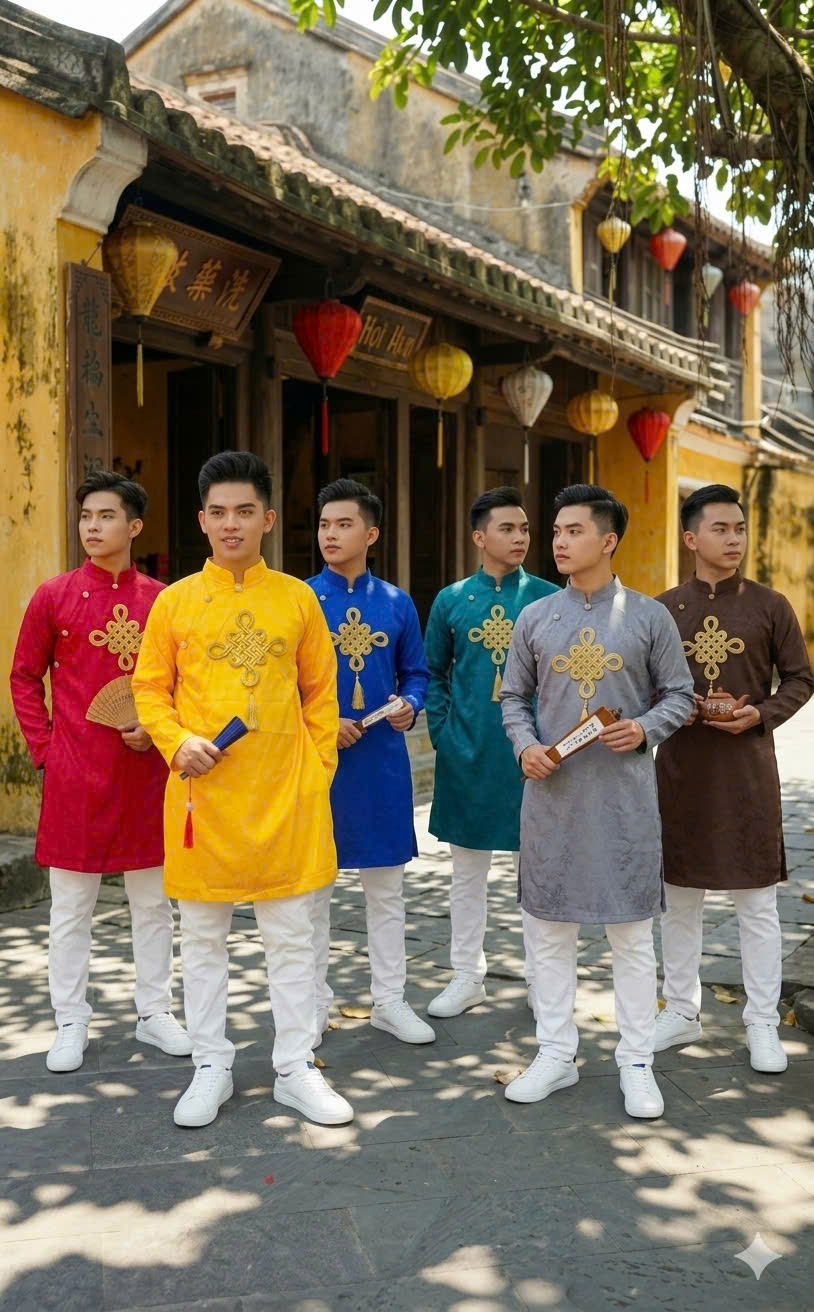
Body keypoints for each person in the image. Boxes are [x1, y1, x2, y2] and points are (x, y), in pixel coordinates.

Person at [132, 451, 353, 1129]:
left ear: (268, 519)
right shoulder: (174, 603)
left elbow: (321, 693)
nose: (232, 524)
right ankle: (211, 1064)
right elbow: (149, 689)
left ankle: (295, 1066)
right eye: (219, 512)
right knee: (203, 939)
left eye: (245, 512)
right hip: (204, 796)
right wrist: (176, 742)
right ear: (202, 520)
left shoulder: (297, 599)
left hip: (286, 795)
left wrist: (316, 772)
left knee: (291, 939)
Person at [500, 483, 694, 1118]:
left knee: (630, 936)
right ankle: (556, 1053)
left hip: (622, 801)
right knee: (548, 932)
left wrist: (644, 728)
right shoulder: (535, 617)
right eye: (556, 531)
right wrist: (524, 745)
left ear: (608, 541)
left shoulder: (649, 617)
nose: (559, 541)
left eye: (574, 530)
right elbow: (513, 697)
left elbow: (680, 695)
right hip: (551, 797)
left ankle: (636, 1060)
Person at [10, 471, 191, 1073]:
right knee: (70, 907)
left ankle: (154, 1011)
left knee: (153, 903)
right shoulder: (54, 596)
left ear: (134, 526)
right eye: (86, 515)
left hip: (146, 774)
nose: (93, 526)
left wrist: (160, 730)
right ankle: (70, 1019)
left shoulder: (164, 601)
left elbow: (183, 683)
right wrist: (45, 749)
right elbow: (24, 677)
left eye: (106, 515)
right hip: (75, 772)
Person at [654, 483, 813, 1073]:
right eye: (720, 528)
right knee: (679, 899)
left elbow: (800, 678)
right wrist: (675, 709)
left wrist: (760, 714)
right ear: (691, 538)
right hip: (681, 771)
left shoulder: (770, 605)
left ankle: (762, 1021)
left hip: (747, 771)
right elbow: (645, 687)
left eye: (739, 528)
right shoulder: (663, 609)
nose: (734, 539)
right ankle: (680, 1010)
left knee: (757, 903)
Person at [423, 487, 558, 1019]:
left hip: (533, 755)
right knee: (466, 872)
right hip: (468, 751)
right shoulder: (451, 600)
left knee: (537, 872)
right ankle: (466, 976)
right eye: (508, 528)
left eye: (524, 528)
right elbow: (434, 673)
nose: (521, 537)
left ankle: (543, 980)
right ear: (480, 537)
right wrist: (443, 733)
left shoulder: (549, 597)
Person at [307, 478, 433, 1045]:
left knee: (386, 890)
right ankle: (312, 1004)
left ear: (371, 533)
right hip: (319, 764)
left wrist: (410, 704)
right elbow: (285, 684)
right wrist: (322, 721)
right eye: (324, 524)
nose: (330, 534)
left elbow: (417, 674)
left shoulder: (396, 602)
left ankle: (390, 1000)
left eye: (344, 524)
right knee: (313, 893)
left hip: (381, 759)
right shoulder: (300, 599)